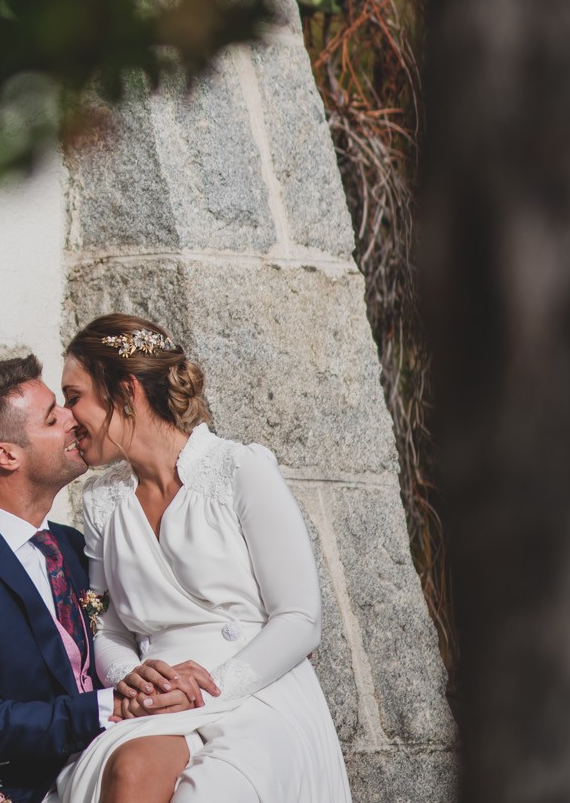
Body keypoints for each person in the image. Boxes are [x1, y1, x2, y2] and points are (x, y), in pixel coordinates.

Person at [51, 313, 352, 803]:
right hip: (159, 703)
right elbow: (107, 628)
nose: (66, 417)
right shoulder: (102, 499)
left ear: (125, 392)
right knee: (126, 772)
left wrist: (210, 686)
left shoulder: (240, 468)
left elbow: (300, 618)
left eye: (73, 397)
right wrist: (131, 678)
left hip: (255, 691)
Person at [0, 355, 194, 803]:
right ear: (6, 455)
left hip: (125, 766)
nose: (75, 419)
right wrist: (111, 705)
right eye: (53, 418)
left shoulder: (75, 547)